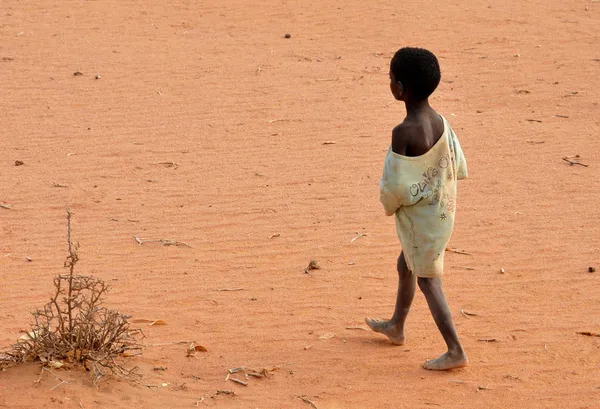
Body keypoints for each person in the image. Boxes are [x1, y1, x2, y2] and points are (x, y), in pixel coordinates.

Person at [365, 47, 469, 371]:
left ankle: (455, 350)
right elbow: (457, 160)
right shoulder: (439, 120)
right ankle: (397, 325)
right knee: (406, 263)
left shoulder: (403, 132)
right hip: (440, 213)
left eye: (391, 78)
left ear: (400, 89)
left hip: (422, 220)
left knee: (428, 280)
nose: (390, 82)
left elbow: (395, 185)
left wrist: (388, 205)